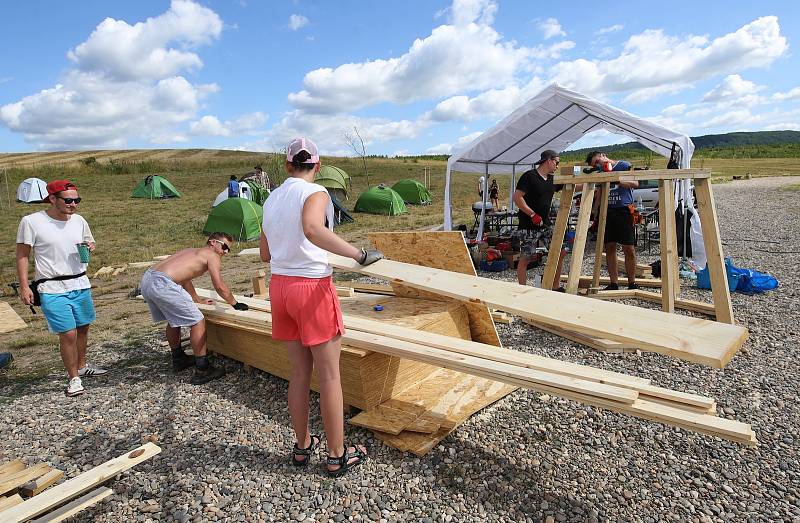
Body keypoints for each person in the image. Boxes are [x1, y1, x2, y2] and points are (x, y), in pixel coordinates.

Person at [261, 136, 383, 476]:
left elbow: (265, 254)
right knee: (329, 376)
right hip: (311, 288)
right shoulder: (316, 193)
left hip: (280, 287)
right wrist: (359, 254)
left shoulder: (270, 199)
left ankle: (302, 447)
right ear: (318, 165)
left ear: (286, 165)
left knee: (299, 373)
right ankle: (336, 455)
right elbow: (313, 229)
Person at [16, 180, 107, 397]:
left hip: (80, 282)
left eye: (77, 200)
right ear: (53, 199)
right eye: (68, 200)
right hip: (51, 286)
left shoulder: (79, 220)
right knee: (68, 333)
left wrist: (90, 247)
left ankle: (83, 366)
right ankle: (73, 378)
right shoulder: (31, 222)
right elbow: (22, 255)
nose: (74, 204)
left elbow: (88, 242)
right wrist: (23, 286)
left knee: (83, 327)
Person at [139, 232, 249, 384]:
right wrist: (234, 303)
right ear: (212, 242)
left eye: (228, 250)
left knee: (173, 319)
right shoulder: (212, 256)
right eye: (224, 246)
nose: (225, 252)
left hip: (148, 279)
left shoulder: (190, 251)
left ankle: (178, 359)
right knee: (197, 320)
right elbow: (219, 285)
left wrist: (197, 301)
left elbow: (184, 280)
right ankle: (202, 369)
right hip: (162, 283)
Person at [513, 150, 570, 289]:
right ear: (548, 160)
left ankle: (555, 286)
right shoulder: (529, 176)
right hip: (528, 225)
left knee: (560, 252)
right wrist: (532, 214)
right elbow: (517, 197)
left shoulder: (552, 179)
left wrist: (594, 182)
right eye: (556, 162)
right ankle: (522, 289)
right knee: (526, 258)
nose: (557, 165)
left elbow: (573, 185)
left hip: (545, 223)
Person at [586, 151, 639, 290]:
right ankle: (614, 283)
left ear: (603, 155)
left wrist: (618, 181)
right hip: (607, 211)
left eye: (597, 161)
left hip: (624, 210)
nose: (598, 165)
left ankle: (632, 282)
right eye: (595, 165)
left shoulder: (624, 165)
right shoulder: (600, 171)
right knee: (609, 247)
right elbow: (600, 192)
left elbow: (635, 183)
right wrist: (595, 212)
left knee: (629, 248)